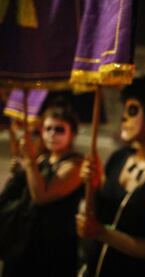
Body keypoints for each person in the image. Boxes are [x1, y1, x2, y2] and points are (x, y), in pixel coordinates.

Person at [76, 74, 145, 276]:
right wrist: (91, 186)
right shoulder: (118, 158)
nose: (124, 117)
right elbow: (95, 217)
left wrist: (103, 233)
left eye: (133, 110)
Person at [1, 105, 83, 277]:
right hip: (27, 241)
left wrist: (30, 162)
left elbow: (41, 196)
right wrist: (22, 171)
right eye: (47, 129)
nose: (52, 134)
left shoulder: (75, 165)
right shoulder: (44, 158)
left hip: (52, 248)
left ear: (72, 134)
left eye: (59, 129)